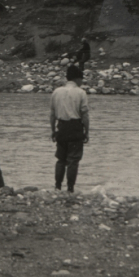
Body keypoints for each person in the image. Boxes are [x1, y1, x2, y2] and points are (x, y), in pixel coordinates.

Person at [50, 64, 90, 192]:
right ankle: (70, 189)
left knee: (61, 159)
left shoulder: (56, 92)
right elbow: (84, 115)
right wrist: (87, 132)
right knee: (73, 160)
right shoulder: (81, 92)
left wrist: (53, 131)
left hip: (61, 126)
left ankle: (57, 187)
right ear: (78, 79)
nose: (82, 82)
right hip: (75, 127)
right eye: (81, 79)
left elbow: (52, 114)